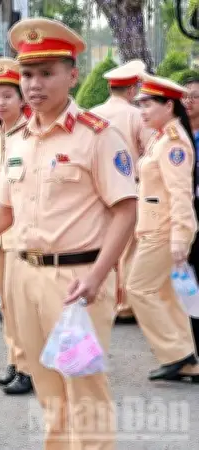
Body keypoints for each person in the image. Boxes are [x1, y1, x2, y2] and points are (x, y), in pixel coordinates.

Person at [0, 18, 137, 449]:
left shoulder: (97, 136)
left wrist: (99, 276)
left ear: (73, 75)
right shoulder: (19, 140)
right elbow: (3, 210)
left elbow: (126, 210)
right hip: (22, 278)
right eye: (28, 74)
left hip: (76, 282)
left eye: (47, 73)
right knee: (47, 390)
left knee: (85, 390)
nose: (35, 84)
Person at [129, 74, 199, 382]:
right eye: (140, 104)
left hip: (164, 229)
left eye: (148, 104)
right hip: (156, 227)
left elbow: (181, 193)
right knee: (166, 295)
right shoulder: (161, 137)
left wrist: (180, 238)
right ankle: (187, 361)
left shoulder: (173, 143)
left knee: (138, 288)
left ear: (168, 105)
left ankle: (176, 353)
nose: (142, 111)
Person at [0, 57, 33, 396]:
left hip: (21, 232)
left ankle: (29, 368)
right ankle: (15, 361)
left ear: (22, 99)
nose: (0, 103)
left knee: (21, 303)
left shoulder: (30, 136)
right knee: (4, 302)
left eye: (7, 96)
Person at [91, 59, 154, 325]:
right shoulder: (137, 115)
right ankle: (125, 304)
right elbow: (151, 151)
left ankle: (102, 297)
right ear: (132, 90)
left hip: (94, 190)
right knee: (127, 248)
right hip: (128, 188)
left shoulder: (91, 113)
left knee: (99, 244)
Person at [181, 77, 199, 353]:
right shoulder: (178, 134)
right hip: (187, 211)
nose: (189, 101)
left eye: (195, 96)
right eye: (185, 96)